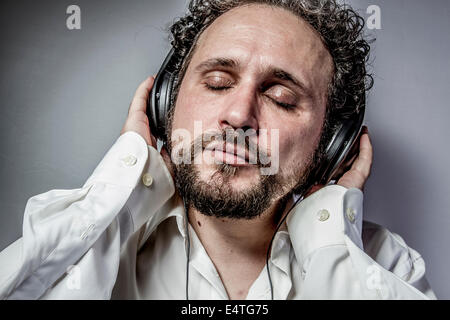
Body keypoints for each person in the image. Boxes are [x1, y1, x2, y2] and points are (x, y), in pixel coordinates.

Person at [0, 0, 436, 300]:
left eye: (281, 97)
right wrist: (122, 184)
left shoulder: (383, 264)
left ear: (330, 142)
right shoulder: (92, 234)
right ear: (166, 104)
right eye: (217, 83)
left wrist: (329, 244)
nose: (239, 115)